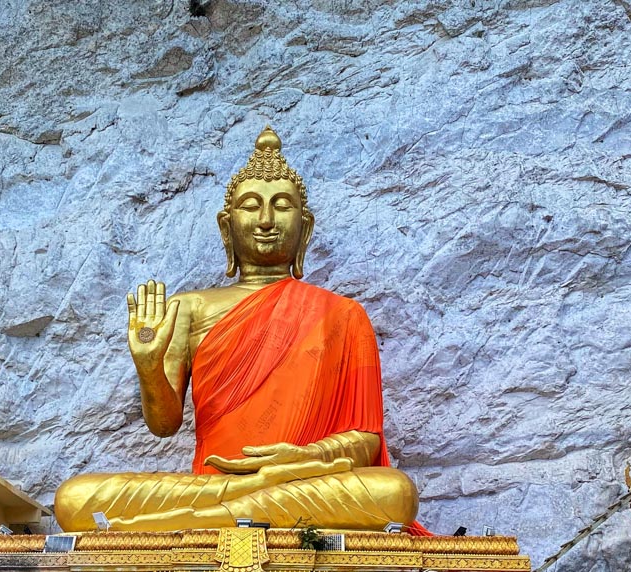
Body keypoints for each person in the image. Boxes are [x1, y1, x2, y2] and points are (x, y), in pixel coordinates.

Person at [53, 127, 422, 533]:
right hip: (215, 485)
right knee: (74, 499)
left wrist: (296, 460)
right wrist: (148, 366)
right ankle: (232, 508)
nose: (265, 220)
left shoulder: (343, 314)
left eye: (282, 206)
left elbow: (365, 442)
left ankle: (205, 519)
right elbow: (164, 425)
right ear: (227, 228)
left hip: (304, 482)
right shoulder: (188, 308)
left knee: (394, 491)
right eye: (251, 206)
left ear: (306, 227)